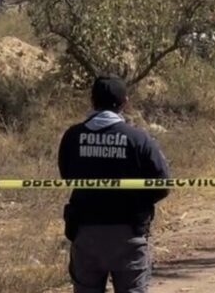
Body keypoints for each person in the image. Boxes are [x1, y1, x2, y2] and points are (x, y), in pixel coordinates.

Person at [59, 75, 170, 293]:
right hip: (129, 233)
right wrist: (138, 202)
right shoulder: (138, 138)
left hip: (85, 232)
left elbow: (67, 176)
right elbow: (162, 184)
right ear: (124, 102)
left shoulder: (73, 136)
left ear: (92, 101)